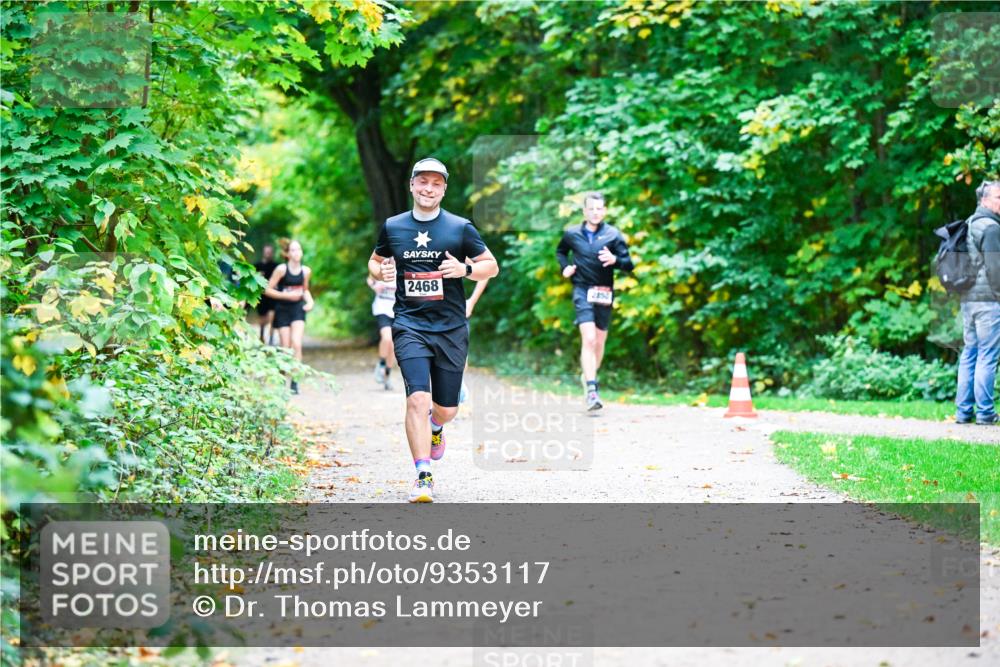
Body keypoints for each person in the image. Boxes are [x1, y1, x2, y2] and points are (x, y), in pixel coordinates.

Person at [368, 157, 499, 503]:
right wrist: (380, 272)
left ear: (444, 190)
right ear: (412, 185)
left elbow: (491, 266)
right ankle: (423, 475)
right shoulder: (394, 227)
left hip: (451, 328)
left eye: (436, 183)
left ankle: (437, 427)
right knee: (417, 399)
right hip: (409, 324)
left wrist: (465, 270)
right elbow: (375, 261)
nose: (428, 188)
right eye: (423, 182)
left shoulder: (460, 228)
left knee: (446, 409)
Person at [556, 192, 634, 411]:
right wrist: (565, 267)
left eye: (599, 209)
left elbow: (629, 264)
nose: (595, 212)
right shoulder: (572, 234)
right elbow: (561, 252)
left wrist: (615, 260)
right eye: (591, 209)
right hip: (582, 290)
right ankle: (592, 390)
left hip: (604, 292)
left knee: (599, 342)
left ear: (605, 211)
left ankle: (589, 376)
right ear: (584, 211)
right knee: (589, 339)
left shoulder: (613, 235)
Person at [955, 180, 1000, 425]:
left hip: (969, 300)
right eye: (999, 198)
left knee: (970, 353)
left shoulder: (971, 222)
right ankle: (985, 412)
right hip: (988, 302)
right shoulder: (991, 228)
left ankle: (963, 412)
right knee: (987, 355)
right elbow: (996, 270)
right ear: (984, 200)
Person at [265, 240, 314, 395]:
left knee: (296, 343)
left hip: (298, 309)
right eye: (293, 250)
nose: (296, 252)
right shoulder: (281, 269)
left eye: (298, 249)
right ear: (287, 254)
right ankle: (281, 378)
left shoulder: (306, 271)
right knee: (285, 348)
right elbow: (267, 289)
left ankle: (295, 380)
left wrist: (310, 302)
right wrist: (286, 296)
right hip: (282, 310)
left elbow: (305, 290)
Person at [459, 266, 491, 404]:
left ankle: (457, 383)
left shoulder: (456, 252)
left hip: (455, 311)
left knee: (460, 360)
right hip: (424, 312)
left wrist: (471, 301)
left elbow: (486, 271)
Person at [368, 274, 397, 390]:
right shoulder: (382, 266)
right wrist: (374, 286)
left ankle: (387, 375)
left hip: (397, 311)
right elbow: (370, 278)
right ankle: (380, 365)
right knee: (387, 338)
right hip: (382, 309)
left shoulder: (403, 266)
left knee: (393, 345)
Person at [255, 244, 279, 344]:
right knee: (262, 317)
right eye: (266, 252)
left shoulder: (276, 266)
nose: (268, 254)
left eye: (269, 252)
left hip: (273, 295)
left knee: (272, 315)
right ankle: (261, 335)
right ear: (263, 252)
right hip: (261, 294)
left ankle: (271, 338)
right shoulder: (257, 265)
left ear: (272, 253)